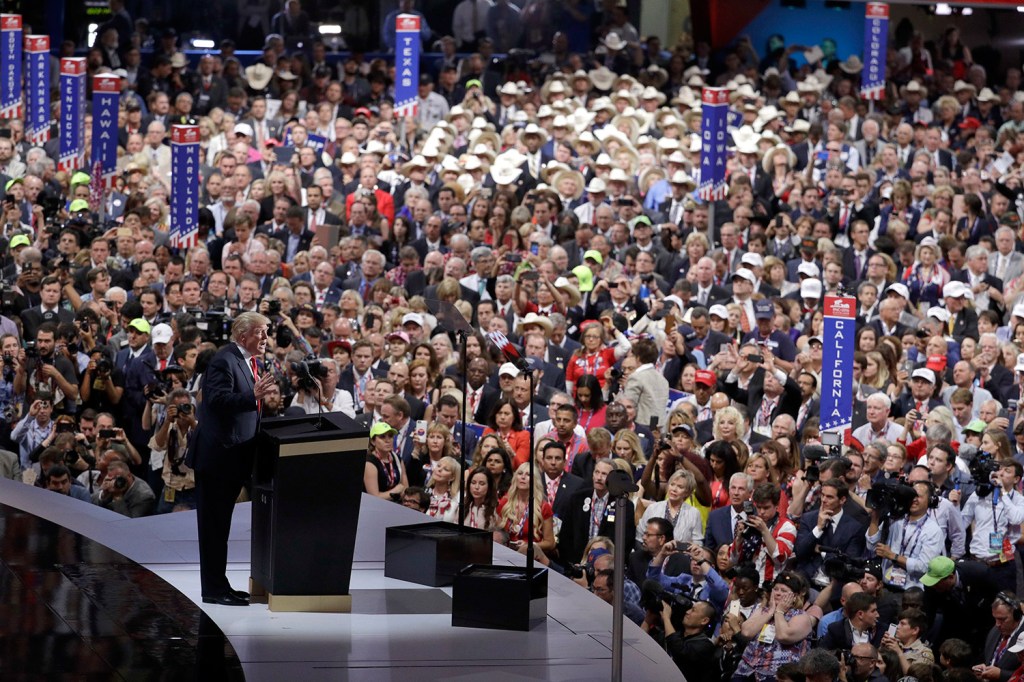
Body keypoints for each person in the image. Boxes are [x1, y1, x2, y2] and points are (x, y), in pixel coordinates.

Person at [187, 312, 278, 606]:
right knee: (213, 529)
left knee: (220, 527)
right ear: (243, 335)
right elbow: (216, 400)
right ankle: (213, 590)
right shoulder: (224, 360)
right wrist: (252, 395)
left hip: (232, 458)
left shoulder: (247, 361)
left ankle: (219, 584)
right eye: (262, 333)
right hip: (217, 458)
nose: (266, 338)